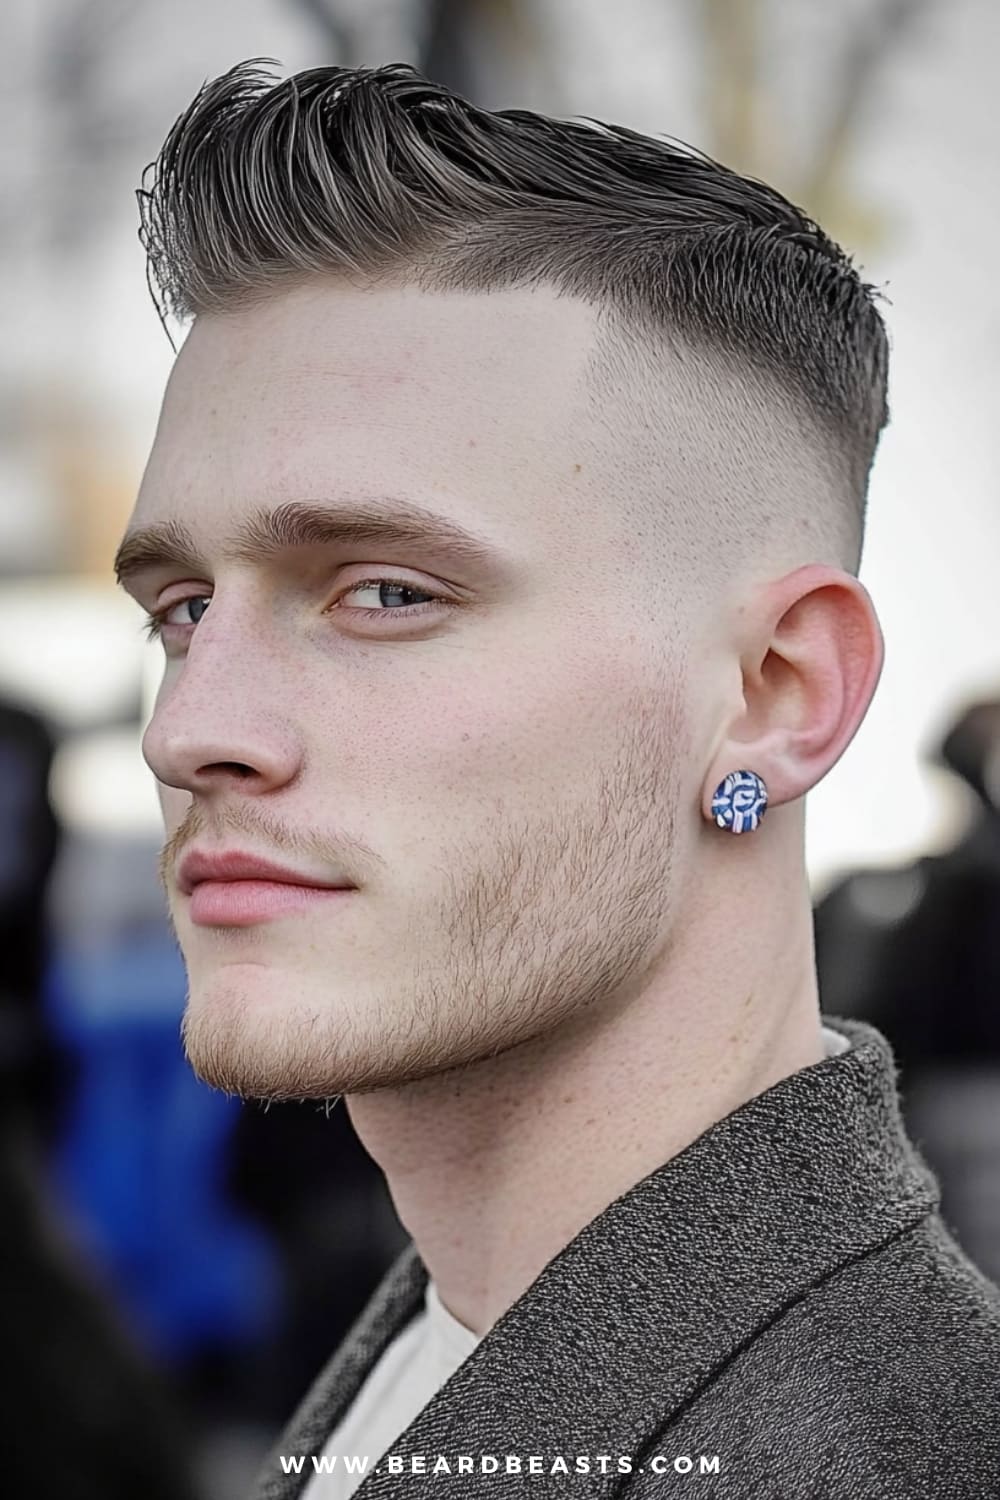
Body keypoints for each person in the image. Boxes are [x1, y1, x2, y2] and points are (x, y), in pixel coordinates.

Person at [116, 60, 1000, 1499]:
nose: (187, 730)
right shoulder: (444, 1330)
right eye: (180, 612)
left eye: (386, 593)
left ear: (777, 695)